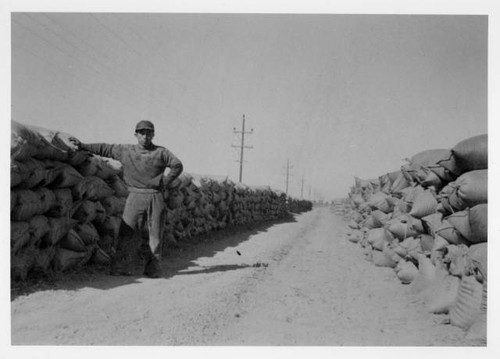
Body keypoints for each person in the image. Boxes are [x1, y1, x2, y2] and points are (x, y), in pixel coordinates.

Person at [69, 120, 183, 278]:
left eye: (149, 132)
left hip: (155, 195)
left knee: (154, 233)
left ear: (153, 134)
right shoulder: (126, 150)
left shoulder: (161, 152)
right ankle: (121, 267)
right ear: (135, 134)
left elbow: (177, 165)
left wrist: (165, 181)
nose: (145, 136)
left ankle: (153, 268)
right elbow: (105, 148)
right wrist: (83, 146)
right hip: (134, 195)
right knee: (127, 231)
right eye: (142, 133)